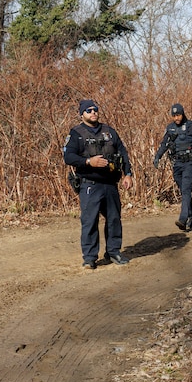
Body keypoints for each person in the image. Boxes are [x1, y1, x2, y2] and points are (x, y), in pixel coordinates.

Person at [62, 99, 134, 269]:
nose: (93, 112)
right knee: (90, 220)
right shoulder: (76, 133)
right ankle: (89, 257)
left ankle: (114, 251)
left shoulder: (109, 132)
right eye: (88, 110)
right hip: (89, 185)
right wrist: (88, 162)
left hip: (110, 184)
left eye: (95, 109)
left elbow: (122, 153)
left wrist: (128, 174)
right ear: (82, 114)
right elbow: (68, 157)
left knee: (114, 219)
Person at [152, 103, 192, 231]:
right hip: (177, 164)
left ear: (183, 113)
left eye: (178, 115)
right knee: (183, 190)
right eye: (174, 116)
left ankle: (183, 218)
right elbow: (164, 144)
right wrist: (157, 156)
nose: (176, 118)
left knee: (186, 189)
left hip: (190, 163)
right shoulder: (170, 128)